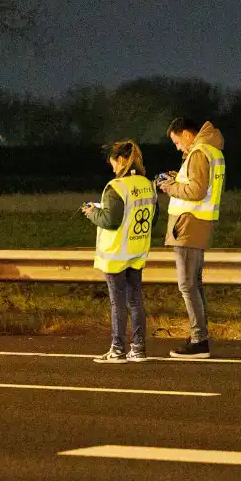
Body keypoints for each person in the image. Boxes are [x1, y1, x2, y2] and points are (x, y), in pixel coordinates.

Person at [82, 140, 157, 364]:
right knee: (135, 301)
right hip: (137, 250)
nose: (113, 167)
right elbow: (153, 217)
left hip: (116, 255)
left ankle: (117, 349)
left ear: (122, 160)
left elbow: (110, 220)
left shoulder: (116, 187)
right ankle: (139, 349)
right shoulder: (146, 184)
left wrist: (90, 212)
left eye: (114, 162)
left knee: (118, 303)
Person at [156, 117, 225, 359]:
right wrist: (178, 179)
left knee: (187, 284)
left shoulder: (198, 153)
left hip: (188, 224)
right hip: (199, 224)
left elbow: (196, 191)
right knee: (194, 283)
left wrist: (170, 188)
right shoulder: (211, 150)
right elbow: (198, 184)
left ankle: (198, 340)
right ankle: (199, 335)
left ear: (186, 134)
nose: (177, 147)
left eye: (176, 142)